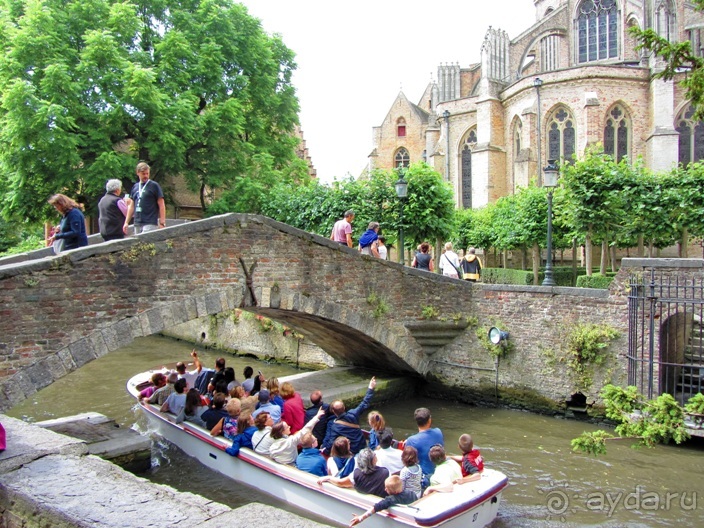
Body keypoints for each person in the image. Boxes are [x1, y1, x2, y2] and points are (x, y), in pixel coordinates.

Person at [322, 376, 377, 455]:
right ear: (344, 408)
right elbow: (365, 403)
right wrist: (371, 388)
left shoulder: (335, 426)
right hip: (362, 446)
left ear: (333, 411)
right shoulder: (353, 413)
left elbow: (331, 442)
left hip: (351, 451)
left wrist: (325, 451)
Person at [349, 475, 417, 526]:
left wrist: (361, 518)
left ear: (395, 492)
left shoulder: (390, 500)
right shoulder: (412, 494)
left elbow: (375, 508)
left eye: (387, 488)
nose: (385, 490)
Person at [318, 448, 389, 497]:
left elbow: (340, 483)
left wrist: (328, 478)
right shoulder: (385, 472)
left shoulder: (356, 474)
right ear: (375, 460)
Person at [123, 162, 166, 234]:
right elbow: (132, 206)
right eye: (143, 174)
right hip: (137, 222)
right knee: (138, 244)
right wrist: (126, 222)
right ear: (138, 173)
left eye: (147, 174)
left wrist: (162, 221)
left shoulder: (154, 186)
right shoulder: (135, 187)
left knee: (147, 243)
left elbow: (161, 204)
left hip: (150, 221)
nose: (146, 176)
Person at [404, 407, 444, 479]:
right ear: (429, 420)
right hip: (439, 472)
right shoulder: (438, 432)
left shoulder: (412, 440)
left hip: (425, 477)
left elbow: (407, 462)